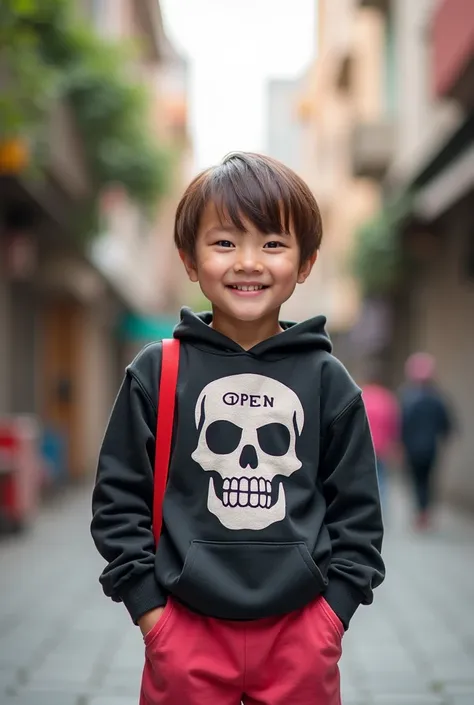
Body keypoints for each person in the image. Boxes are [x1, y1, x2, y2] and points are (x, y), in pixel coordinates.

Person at [91, 152, 385, 705]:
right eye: (224, 242)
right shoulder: (157, 372)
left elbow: (359, 512)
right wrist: (151, 614)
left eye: (273, 244)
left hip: (301, 633)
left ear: (305, 263)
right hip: (184, 631)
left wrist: (331, 618)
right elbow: (118, 497)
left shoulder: (329, 381)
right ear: (189, 259)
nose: (248, 262)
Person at [400, 352, 453, 530]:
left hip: (413, 448)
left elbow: (402, 423)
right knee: (428, 479)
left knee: (417, 480)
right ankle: (425, 512)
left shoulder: (408, 398)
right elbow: (446, 425)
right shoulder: (438, 398)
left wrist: (401, 443)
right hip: (431, 447)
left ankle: (421, 512)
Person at [362, 367, 400, 515]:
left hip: (364, 447)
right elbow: (394, 424)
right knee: (382, 478)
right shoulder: (387, 398)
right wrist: (395, 445)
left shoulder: (361, 395)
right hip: (382, 447)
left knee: (364, 477)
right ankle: (380, 508)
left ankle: (366, 508)